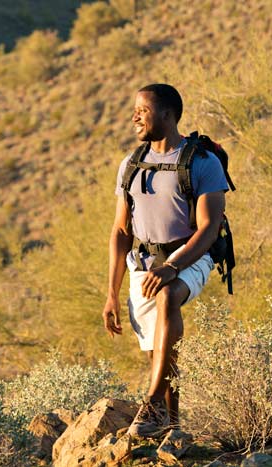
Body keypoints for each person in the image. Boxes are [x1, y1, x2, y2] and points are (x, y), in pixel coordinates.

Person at [102, 83, 228, 439]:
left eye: (142, 111)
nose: (134, 117)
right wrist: (111, 292)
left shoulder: (202, 162)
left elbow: (208, 228)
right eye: (135, 111)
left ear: (167, 115)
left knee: (168, 296)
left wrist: (173, 266)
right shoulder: (131, 165)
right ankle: (171, 427)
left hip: (191, 255)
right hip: (142, 264)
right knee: (158, 351)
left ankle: (152, 401)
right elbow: (120, 231)